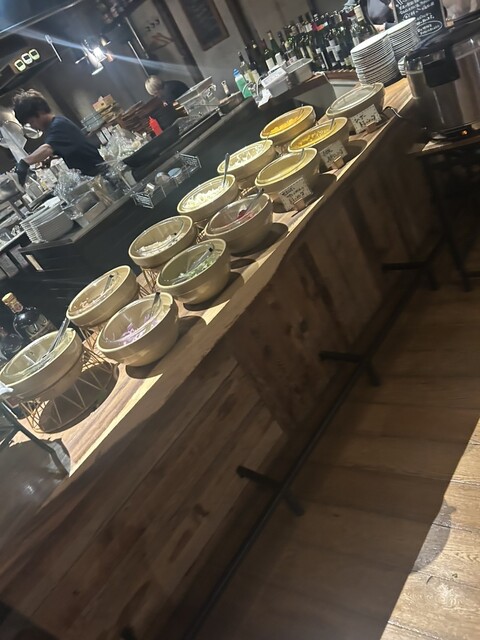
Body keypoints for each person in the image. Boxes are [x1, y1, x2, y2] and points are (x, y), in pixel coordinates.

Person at [12, 90, 104, 185]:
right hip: (93, 176)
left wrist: (25, 162)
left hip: (100, 174)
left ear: (41, 112)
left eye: (32, 122)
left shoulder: (58, 125)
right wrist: (50, 159)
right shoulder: (54, 126)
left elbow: (47, 148)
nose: (33, 127)